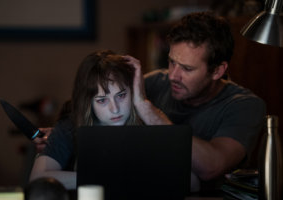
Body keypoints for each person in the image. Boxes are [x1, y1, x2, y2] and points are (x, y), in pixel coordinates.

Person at [123, 11, 266, 191]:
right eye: (172, 62)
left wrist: (153, 115)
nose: (173, 76)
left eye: (187, 69)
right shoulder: (153, 83)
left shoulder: (245, 106)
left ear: (217, 71)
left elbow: (212, 166)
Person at [29, 50, 142, 190]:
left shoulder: (148, 118)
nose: (115, 109)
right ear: (88, 102)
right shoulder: (70, 126)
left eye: (121, 96)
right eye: (102, 100)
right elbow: (38, 178)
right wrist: (104, 178)